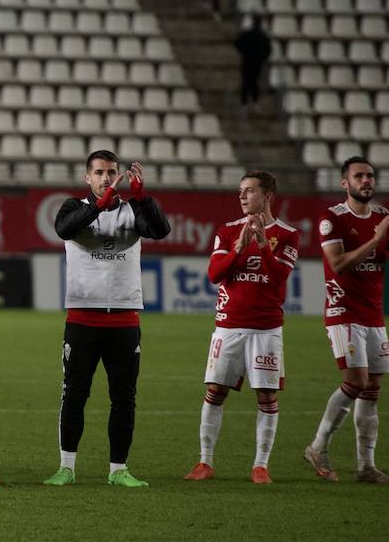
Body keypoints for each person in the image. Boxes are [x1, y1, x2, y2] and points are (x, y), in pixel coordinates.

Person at [45, 152, 171, 488]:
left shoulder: (132, 210)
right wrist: (98, 204)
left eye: (111, 172)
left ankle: (118, 469)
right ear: (87, 177)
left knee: (124, 396)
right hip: (83, 317)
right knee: (74, 394)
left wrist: (142, 196)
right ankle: (66, 467)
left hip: (124, 320)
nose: (106, 177)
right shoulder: (74, 207)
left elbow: (160, 230)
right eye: (99, 172)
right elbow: (63, 229)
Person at [184, 171, 300, 484]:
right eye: (240, 191)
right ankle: (205, 461)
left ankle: (260, 466)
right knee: (215, 391)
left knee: (266, 396)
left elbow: (277, 278)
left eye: (249, 191)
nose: (242, 196)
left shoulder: (288, 235)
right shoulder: (227, 231)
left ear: (267, 196)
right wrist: (239, 247)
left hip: (266, 328)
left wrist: (262, 244)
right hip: (229, 326)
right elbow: (215, 274)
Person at [305, 156, 389, 484]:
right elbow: (339, 264)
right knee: (356, 381)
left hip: (373, 315)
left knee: (372, 389)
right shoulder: (333, 218)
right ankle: (317, 446)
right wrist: (376, 239)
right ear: (346, 183)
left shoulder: (382, 217)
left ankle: (365, 466)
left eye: (370, 175)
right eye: (359, 176)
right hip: (344, 313)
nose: (366, 181)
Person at [234, 16, 271, 110]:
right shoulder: (263, 36)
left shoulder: (248, 34)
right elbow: (268, 50)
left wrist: (244, 52)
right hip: (256, 62)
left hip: (248, 61)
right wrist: (262, 57)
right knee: (254, 82)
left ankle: (244, 103)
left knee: (246, 82)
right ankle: (254, 103)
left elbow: (237, 43)